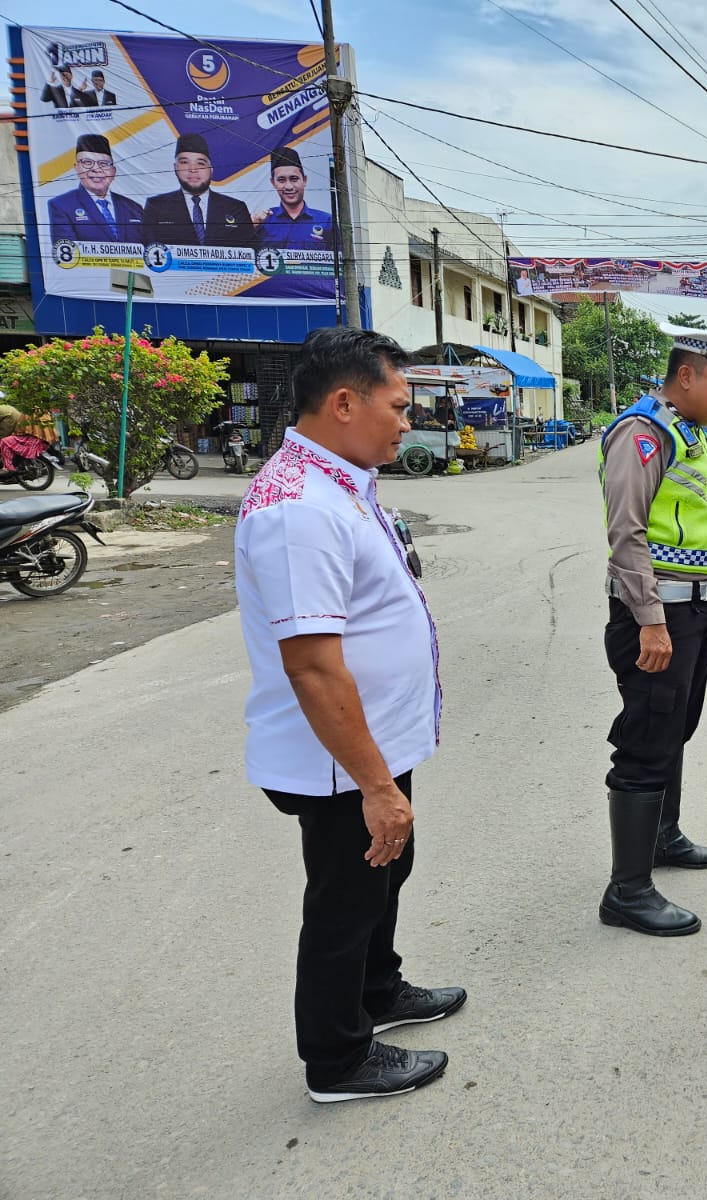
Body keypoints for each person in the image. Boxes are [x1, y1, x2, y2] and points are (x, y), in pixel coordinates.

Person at [235, 327, 461, 1104]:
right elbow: (312, 664)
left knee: (386, 876)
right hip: (338, 762)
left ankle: (379, 990)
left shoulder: (336, 482)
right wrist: (375, 785)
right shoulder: (297, 508)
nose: (408, 421)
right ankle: (337, 1060)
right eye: (397, 406)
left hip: (369, 746)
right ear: (342, 402)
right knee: (346, 899)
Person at [597, 326, 707, 936]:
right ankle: (626, 891)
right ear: (687, 376)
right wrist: (651, 622)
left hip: (692, 609)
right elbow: (626, 535)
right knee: (648, 735)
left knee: (676, 724)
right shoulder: (642, 434)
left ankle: (661, 836)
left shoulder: (690, 433)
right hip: (657, 613)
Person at [141, 133, 257, 249]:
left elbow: (250, 255)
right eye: (185, 162)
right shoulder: (156, 207)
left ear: (211, 170)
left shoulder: (236, 208)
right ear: (175, 168)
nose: (193, 169)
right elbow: (147, 253)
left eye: (200, 163)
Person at [47, 134, 145, 246]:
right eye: (87, 163)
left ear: (113, 171)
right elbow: (67, 256)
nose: (96, 169)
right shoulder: (61, 206)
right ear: (77, 168)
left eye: (103, 164)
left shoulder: (133, 208)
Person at [253, 146, 333, 250]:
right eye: (281, 180)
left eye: (294, 179)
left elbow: (341, 262)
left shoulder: (326, 221)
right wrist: (252, 226)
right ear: (273, 183)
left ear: (304, 180)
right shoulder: (264, 222)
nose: (289, 186)